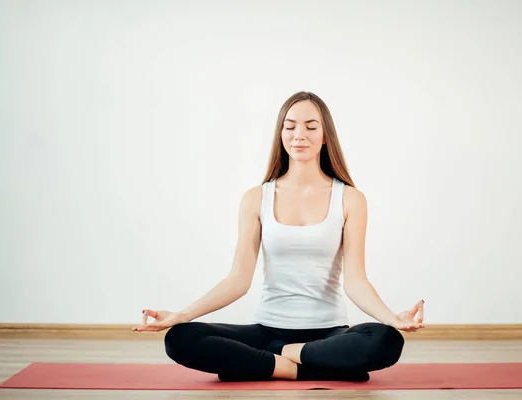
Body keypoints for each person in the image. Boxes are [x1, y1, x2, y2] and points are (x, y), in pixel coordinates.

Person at [132, 91, 425, 382]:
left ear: (326, 136)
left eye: (311, 127)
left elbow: (356, 281)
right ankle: (301, 366)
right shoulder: (256, 198)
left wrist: (391, 318)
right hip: (266, 331)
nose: (300, 134)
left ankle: (270, 361)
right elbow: (238, 279)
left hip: (329, 333)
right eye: (290, 126)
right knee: (181, 337)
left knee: (385, 340)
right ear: (281, 133)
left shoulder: (350, 199)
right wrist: (181, 315)